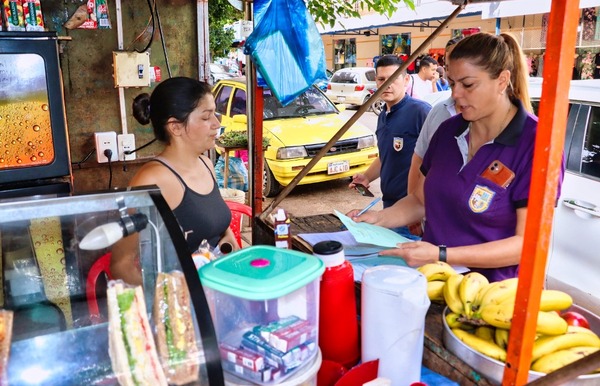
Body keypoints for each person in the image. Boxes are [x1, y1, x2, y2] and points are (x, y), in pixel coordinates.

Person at [350, 32, 561, 283]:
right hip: (432, 282)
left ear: (502, 80)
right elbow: (420, 199)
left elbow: (527, 244)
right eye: (451, 83)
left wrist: (442, 254)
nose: (456, 94)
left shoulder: (536, 144)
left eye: (468, 84)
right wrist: (378, 219)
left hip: (491, 296)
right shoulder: (449, 130)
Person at [111, 77, 239, 285]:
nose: (217, 123)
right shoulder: (152, 180)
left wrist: (228, 244)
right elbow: (121, 264)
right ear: (175, 127)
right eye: (206, 117)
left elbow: (217, 229)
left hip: (217, 290)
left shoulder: (206, 164)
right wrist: (170, 302)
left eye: (215, 114)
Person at [349, 55, 431, 240]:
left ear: (406, 80)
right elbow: (386, 154)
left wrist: (420, 214)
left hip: (413, 212)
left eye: (393, 79)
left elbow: (436, 162)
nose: (387, 84)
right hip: (389, 209)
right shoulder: (383, 115)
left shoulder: (421, 112)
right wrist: (366, 176)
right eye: (381, 79)